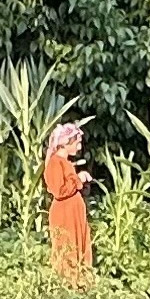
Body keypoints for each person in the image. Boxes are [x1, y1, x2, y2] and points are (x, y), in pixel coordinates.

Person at [43, 121, 93, 287]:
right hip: (64, 213)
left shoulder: (65, 163)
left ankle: (80, 282)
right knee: (67, 245)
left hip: (73, 212)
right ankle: (68, 284)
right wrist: (79, 180)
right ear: (66, 143)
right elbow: (59, 191)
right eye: (77, 143)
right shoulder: (55, 163)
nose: (79, 148)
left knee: (78, 243)